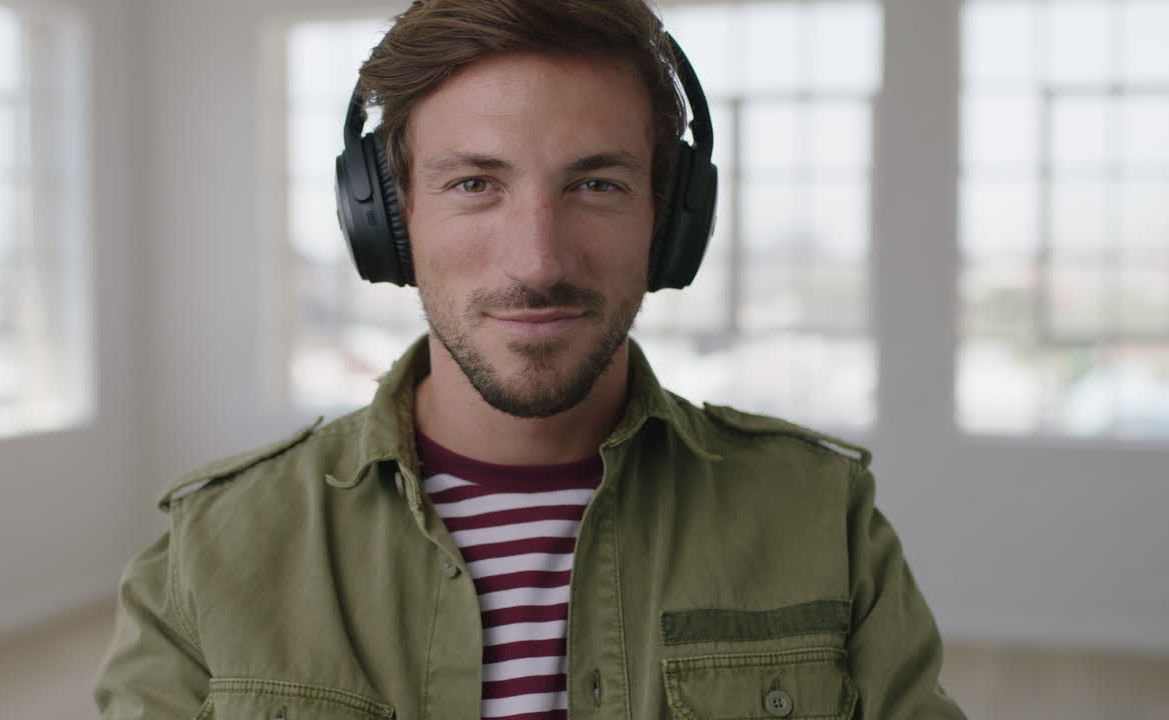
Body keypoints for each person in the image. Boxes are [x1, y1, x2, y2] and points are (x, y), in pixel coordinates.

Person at [95, 1, 967, 718]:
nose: (539, 261)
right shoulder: (206, 558)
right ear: (387, 221)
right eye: (474, 183)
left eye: (597, 184)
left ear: (670, 222)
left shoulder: (822, 518)